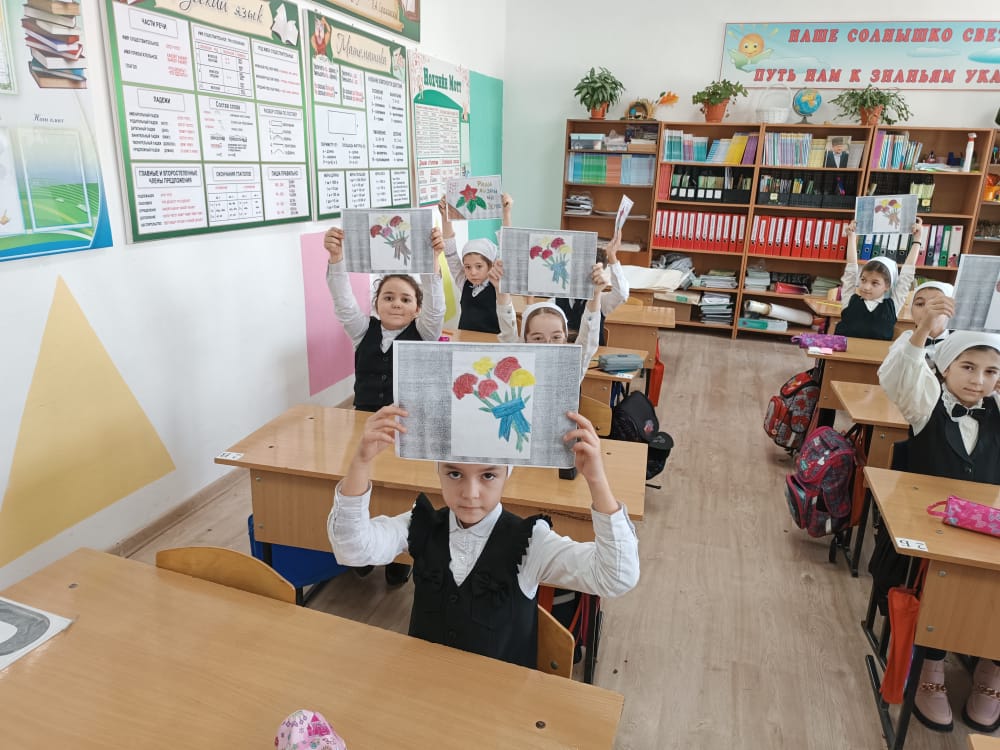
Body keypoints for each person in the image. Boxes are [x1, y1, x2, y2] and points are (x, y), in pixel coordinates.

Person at [327, 405, 640, 667]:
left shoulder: (531, 543)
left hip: (498, 702)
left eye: (488, 475)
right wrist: (361, 462)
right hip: (425, 690)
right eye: (454, 474)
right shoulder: (421, 524)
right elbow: (352, 549)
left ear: (507, 474)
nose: (470, 493)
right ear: (438, 470)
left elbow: (616, 576)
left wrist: (597, 480)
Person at [879, 327, 1000, 733]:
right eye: (967, 367)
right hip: (930, 525)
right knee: (938, 585)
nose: (978, 380)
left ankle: (991, 668)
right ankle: (930, 663)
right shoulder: (925, 402)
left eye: (990, 372)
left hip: (986, 526)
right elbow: (900, 375)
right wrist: (920, 334)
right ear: (944, 367)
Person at [323, 223, 445, 585]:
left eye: (406, 299)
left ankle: (396, 553)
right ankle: (363, 545)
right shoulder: (363, 331)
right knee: (362, 481)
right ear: (376, 303)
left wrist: (431, 262)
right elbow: (342, 301)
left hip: (406, 426)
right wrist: (336, 259)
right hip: (362, 425)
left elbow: (437, 304)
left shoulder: (425, 332)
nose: (396, 303)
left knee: (400, 489)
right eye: (388, 297)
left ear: (417, 308)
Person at [494, 259, 608, 383]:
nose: (548, 344)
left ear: (565, 339)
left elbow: (589, 338)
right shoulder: (518, 360)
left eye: (556, 337)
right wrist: (501, 291)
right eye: (538, 338)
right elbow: (508, 333)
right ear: (524, 340)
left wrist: (595, 294)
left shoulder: (572, 362)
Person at [835, 218, 923, 340]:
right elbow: (851, 269)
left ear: (887, 286)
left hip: (877, 353)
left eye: (875, 283)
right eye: (863, 280)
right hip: (844, 351)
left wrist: (917, 240)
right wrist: (851, 237)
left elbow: (906, 276)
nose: (866, 287)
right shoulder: (850, 300)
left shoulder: (892, 306)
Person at [438, 193, 513, 333]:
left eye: (479, 266)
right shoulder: (463, 282)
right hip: (465, 341)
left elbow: (507, 248)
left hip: (492, 342)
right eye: (467, 267)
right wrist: (445, 216)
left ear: (491, 265)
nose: (472, 272)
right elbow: (450, 252)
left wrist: (506, 213)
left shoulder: (498, 285)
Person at [555, 234, 630, 345]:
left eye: (591, 274)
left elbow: (621, 294)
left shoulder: (601, 300)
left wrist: (612, 256)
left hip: (594, 353)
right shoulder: (557, 298)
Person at [878, 280, 954, 375]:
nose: (928, 309)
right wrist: (924, 329)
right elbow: (887, 375)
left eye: (936, 304)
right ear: (911, 311)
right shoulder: (905, 340)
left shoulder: (959, 340)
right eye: (920, 304)